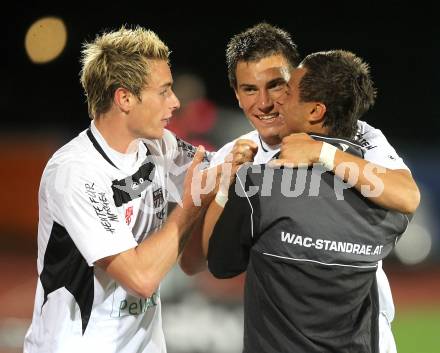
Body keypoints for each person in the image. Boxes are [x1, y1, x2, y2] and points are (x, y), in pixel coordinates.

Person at [180, 22, 420, 353]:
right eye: (250, 89)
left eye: (277, 86)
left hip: (363, 336)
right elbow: (194, 261)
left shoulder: (356, 137)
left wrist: (323, 153)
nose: (264, 103)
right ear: (236, 94)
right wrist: (225, 184)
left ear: (295, 83)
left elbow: (407, 195)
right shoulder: (231, 156)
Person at [23, 26, 218, 353]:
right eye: (164, 91)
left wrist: (317, 155)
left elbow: (223, 169)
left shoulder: (160, 146)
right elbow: (141, 279)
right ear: (125, 98)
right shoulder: (74, 171)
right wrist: (191, 204)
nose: (175, 102)